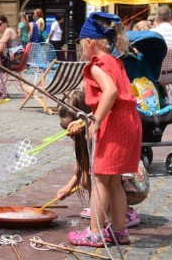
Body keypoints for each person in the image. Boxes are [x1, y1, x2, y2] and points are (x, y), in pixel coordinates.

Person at [68, 12, 142, 247]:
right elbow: (116, 97)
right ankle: (119, 231)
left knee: (99, 179)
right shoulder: (115, 61)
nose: (82, 49)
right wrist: (90, 118)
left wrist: (97, 120)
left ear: (89, 42)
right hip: (129, 122)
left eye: (81, 44)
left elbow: (109, 92)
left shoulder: (96, 66)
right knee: (114, 181)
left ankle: (94, 232)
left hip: (113, 125)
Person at [55, 91, 140, 228]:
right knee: (86, 174)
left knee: (95, 180)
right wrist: (67, 188)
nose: (67, 132)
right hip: (120, 178)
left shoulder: (98, 135)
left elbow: (110, 90)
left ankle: (123, 213)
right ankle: (103, 210)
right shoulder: (85, 136)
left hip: (134, 182)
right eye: (63, 127)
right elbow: (81, 167)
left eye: (69, 126)